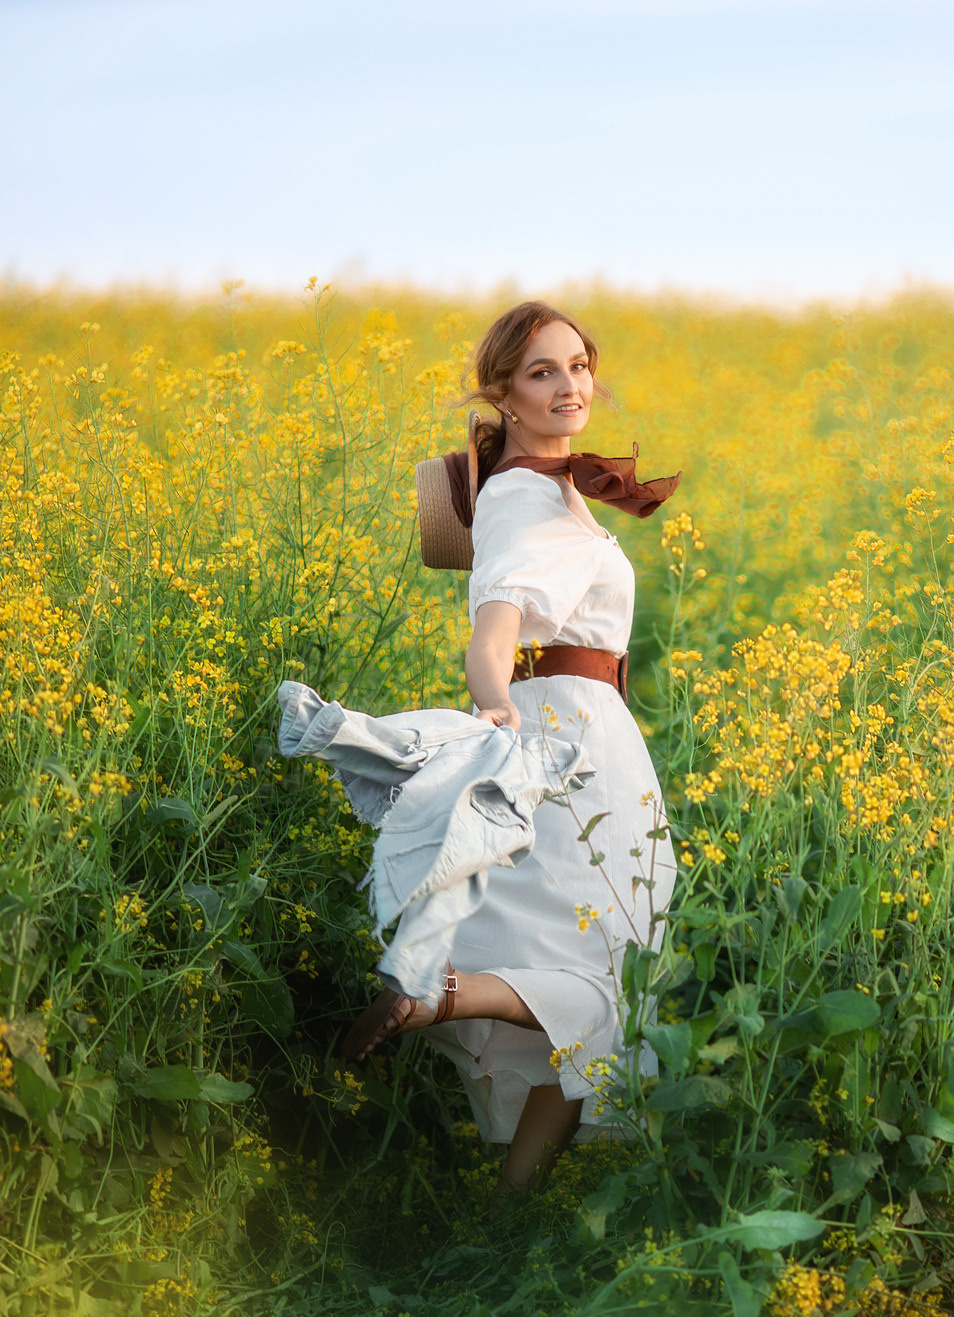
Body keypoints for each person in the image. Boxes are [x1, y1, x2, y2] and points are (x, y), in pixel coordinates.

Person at [339, 302, 678, 1196]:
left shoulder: (550, 486)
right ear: (503, 394)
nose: (570, 385)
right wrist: (498, 717)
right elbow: (492, 633)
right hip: (567, 735)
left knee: (602, 965)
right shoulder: (525, 495)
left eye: (579, 366)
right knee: (611, 969)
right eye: (542, 372)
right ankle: (441, 996)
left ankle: (509, 1211)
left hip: (585, 727)